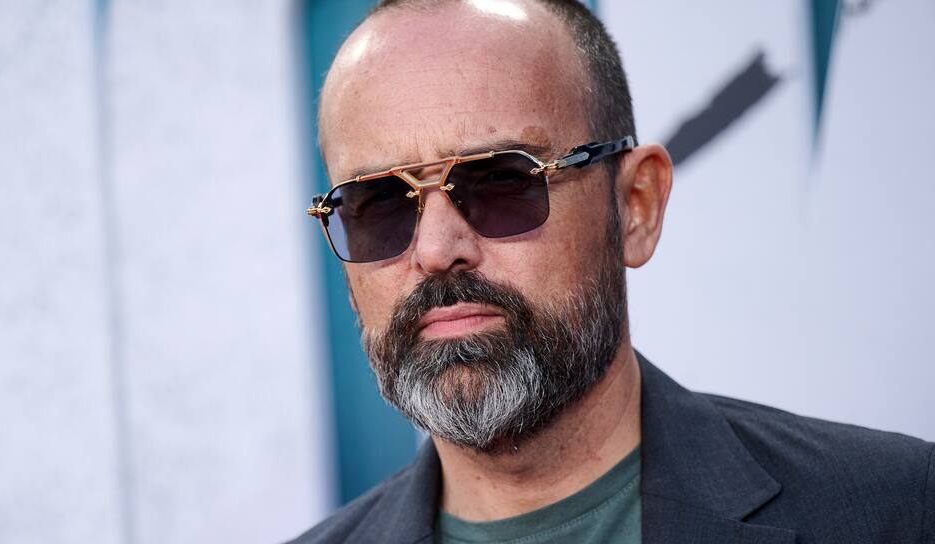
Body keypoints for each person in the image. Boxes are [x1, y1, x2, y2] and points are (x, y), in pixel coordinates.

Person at [289, 1, 934, 542]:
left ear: (635, 206)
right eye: (379, 204)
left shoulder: (896, 510)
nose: (435, 249)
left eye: (501, 182)